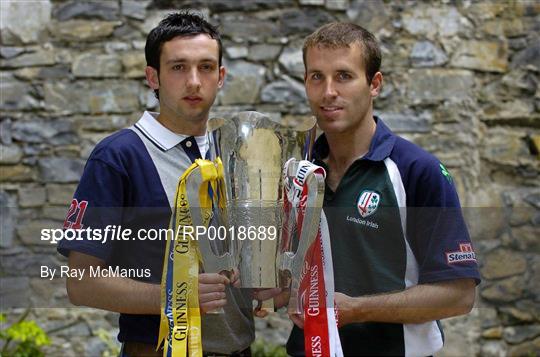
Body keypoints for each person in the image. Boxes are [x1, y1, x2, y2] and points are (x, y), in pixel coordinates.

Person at [58, 12, 254, 357]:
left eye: (206, 67)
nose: (194, 81)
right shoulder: (118, 156)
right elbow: (82, 283)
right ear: (154, 77)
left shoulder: (235, 152)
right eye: (178, 67)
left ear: (221, 77)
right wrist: (175, 296)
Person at [285, 22, 481, 356]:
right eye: (316, 76)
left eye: (344, 76)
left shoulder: (418, 170)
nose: (328, 91)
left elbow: (459, 295)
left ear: (374, 84)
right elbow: (294, 274)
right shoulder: (297, 170)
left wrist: (357, 309)